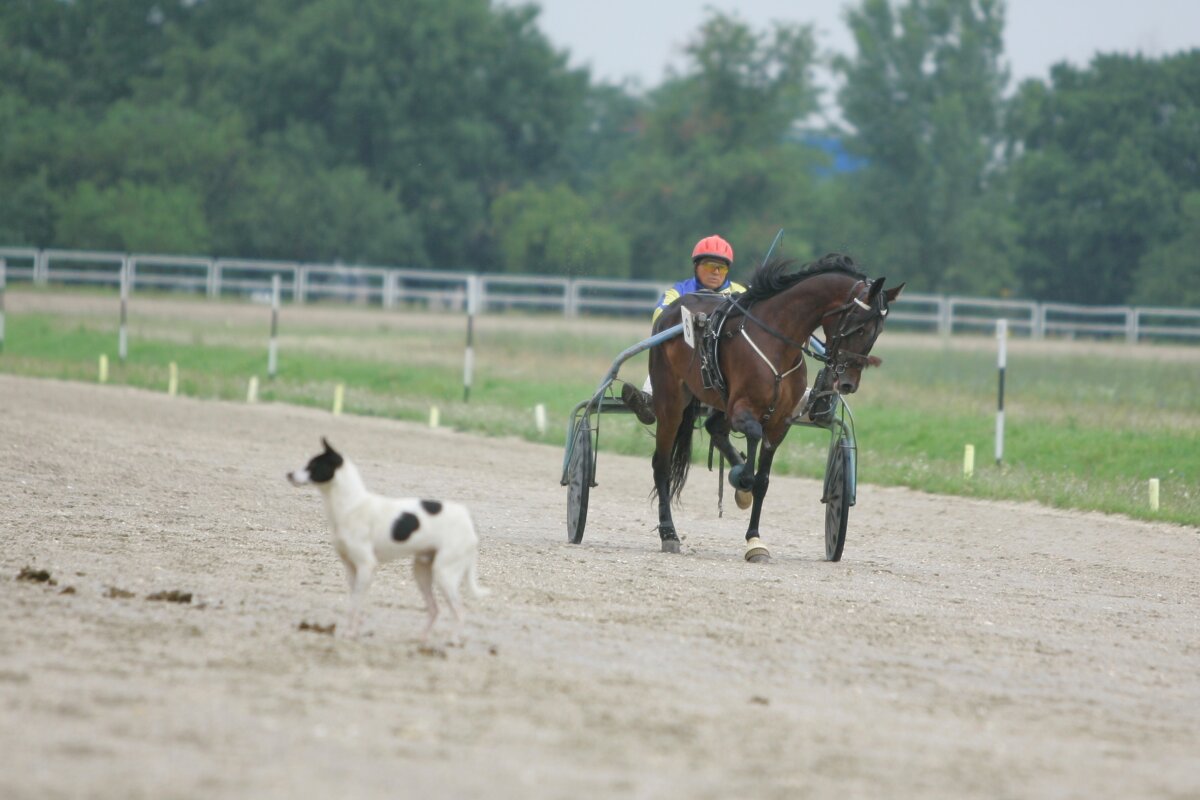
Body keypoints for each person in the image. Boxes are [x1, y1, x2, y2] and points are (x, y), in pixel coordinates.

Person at [622, 235, 746, 424]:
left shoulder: (741, 292)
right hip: (688, 358)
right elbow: (660, 317)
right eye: (709, 266)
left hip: (726, 361)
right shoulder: (679, 290)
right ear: (696, 266)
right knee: (665, 357)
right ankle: (648, 399)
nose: (716, 272)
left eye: (722, 267)